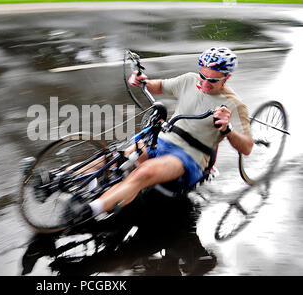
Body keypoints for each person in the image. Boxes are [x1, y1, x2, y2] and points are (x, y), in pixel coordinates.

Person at [64, 47, 254, 225]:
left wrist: (228, 129)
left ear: (226, 78)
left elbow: (246, 147)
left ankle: (90, 210)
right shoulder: (189, 80)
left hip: (190, 157)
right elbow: (160, 86)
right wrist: (142, 81)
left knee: (144, 172)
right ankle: (62, 178)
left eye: (212, 80)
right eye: (203, 76)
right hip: (162, 140)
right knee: (116, 158)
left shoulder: (234, 105)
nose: (204, 84)